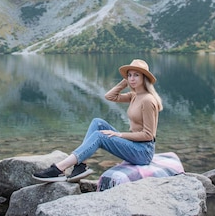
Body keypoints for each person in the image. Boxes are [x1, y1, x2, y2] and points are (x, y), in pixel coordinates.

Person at [32, 58, 163, 183]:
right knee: (98, 122)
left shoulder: (147, 100)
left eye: (136, 75)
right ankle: (81, 165)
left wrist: (120, 135)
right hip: (134, 144)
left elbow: (148, 135)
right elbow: (110, 96)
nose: (132, 78)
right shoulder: (135, 95)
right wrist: (125, 82)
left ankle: (59, 168)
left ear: (144, 78)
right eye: (129, 75)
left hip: (143, 152)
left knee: (100, 137)